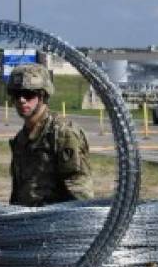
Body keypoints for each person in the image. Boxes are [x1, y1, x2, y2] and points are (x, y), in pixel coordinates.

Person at [6, 63, 93, 206]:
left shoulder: (63, 134)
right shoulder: (21, 139)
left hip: (56, 222)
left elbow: (80, 192)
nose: (21, 100)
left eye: (29, 94)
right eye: (16, 95)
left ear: (43, 96)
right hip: (27, 222)